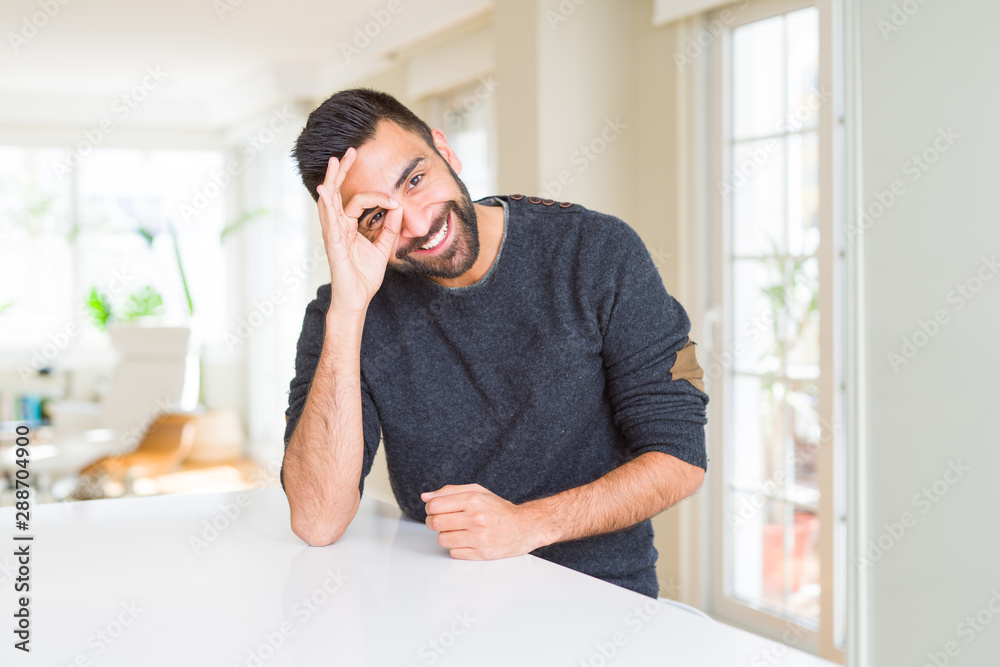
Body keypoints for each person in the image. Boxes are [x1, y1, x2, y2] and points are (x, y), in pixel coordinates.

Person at [280, 88, 708, 599]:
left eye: (415, 180)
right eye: (377, 216)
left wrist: (527, 525)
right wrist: (349, 310)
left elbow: (680, 457)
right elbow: (317, 521)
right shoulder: (344, 311)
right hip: (434, 603)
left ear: (445, 148)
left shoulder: (596, 253)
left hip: (598, 601)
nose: (417, 225)